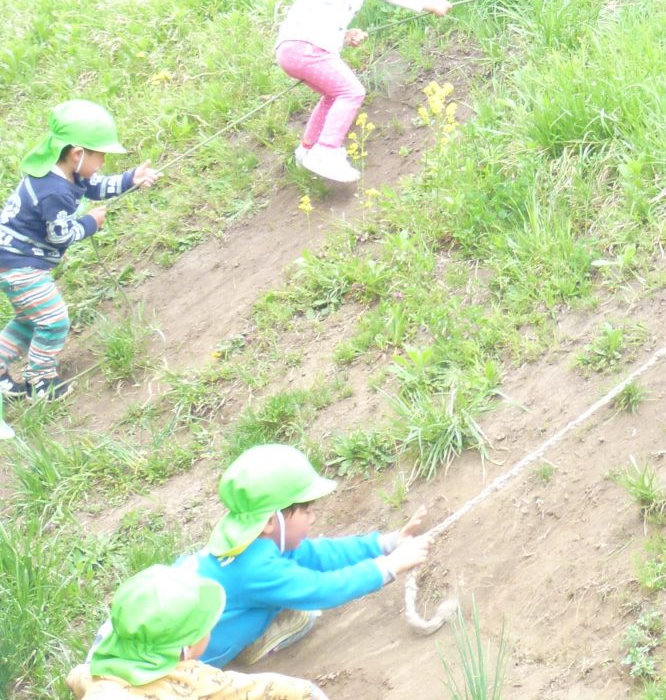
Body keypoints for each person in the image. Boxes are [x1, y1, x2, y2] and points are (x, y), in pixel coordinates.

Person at [192, 445, 430, 669]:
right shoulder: (257, 569)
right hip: (182, 665)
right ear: (270, 521)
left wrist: (386, 543)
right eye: (307, 511)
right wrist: (389, 566)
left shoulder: (248, 542)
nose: (313, 518)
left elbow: (319, 554)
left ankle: (249, 634)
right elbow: (321, 589)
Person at [1, 101, 159, 400]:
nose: (103, 161)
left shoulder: (65, 172)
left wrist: (131, 180)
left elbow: (96, 185)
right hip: (20, 265)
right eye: (100, 155)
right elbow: (59, 235)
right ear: (77, 154)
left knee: (29, 320)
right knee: (53, 320)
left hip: (14, 261)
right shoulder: (54, 191)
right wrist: (90, 223)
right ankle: (41, 381)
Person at [276, 0, 451, 183]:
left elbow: (317, 16)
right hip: (309, 48)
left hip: (291, 48)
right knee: (352, 92)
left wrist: (344, 36)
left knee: (333, 95)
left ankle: (307, 150)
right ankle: (326, 151)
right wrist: (431, 4)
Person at [66, 564, 321, 699]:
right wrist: (308, 692)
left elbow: (75, 677)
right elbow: (262, 688)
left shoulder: (95, 674)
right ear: (186, 648)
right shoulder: (192, 681)